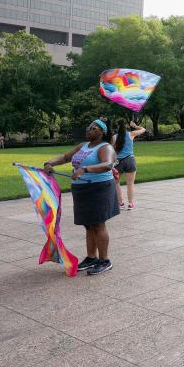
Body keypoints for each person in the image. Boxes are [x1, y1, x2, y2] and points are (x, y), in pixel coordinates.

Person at [43, 118, 118, 275]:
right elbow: (65, 157)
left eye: (93, 127)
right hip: (82, 190)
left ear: (101, 132)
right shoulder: (82, 146)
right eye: (88, 127)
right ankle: (91, 258)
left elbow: (108, 165)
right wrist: (50, 163)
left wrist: (85, 169)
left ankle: (104, 260)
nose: (88, 129)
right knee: (88, 225)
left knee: (98, 224)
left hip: (99, 189)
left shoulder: (105, 147)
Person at [112, 119, 146, 209]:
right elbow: (143, 129)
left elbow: (112, 150)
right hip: (130, 160)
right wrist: (135, 126)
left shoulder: (114, 137)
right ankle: (130, 203)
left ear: (117, 127)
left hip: (118, 162)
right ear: (126, 126)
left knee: (116, 183)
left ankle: (120, 203)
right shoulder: (131, 134)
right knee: (130, 184)